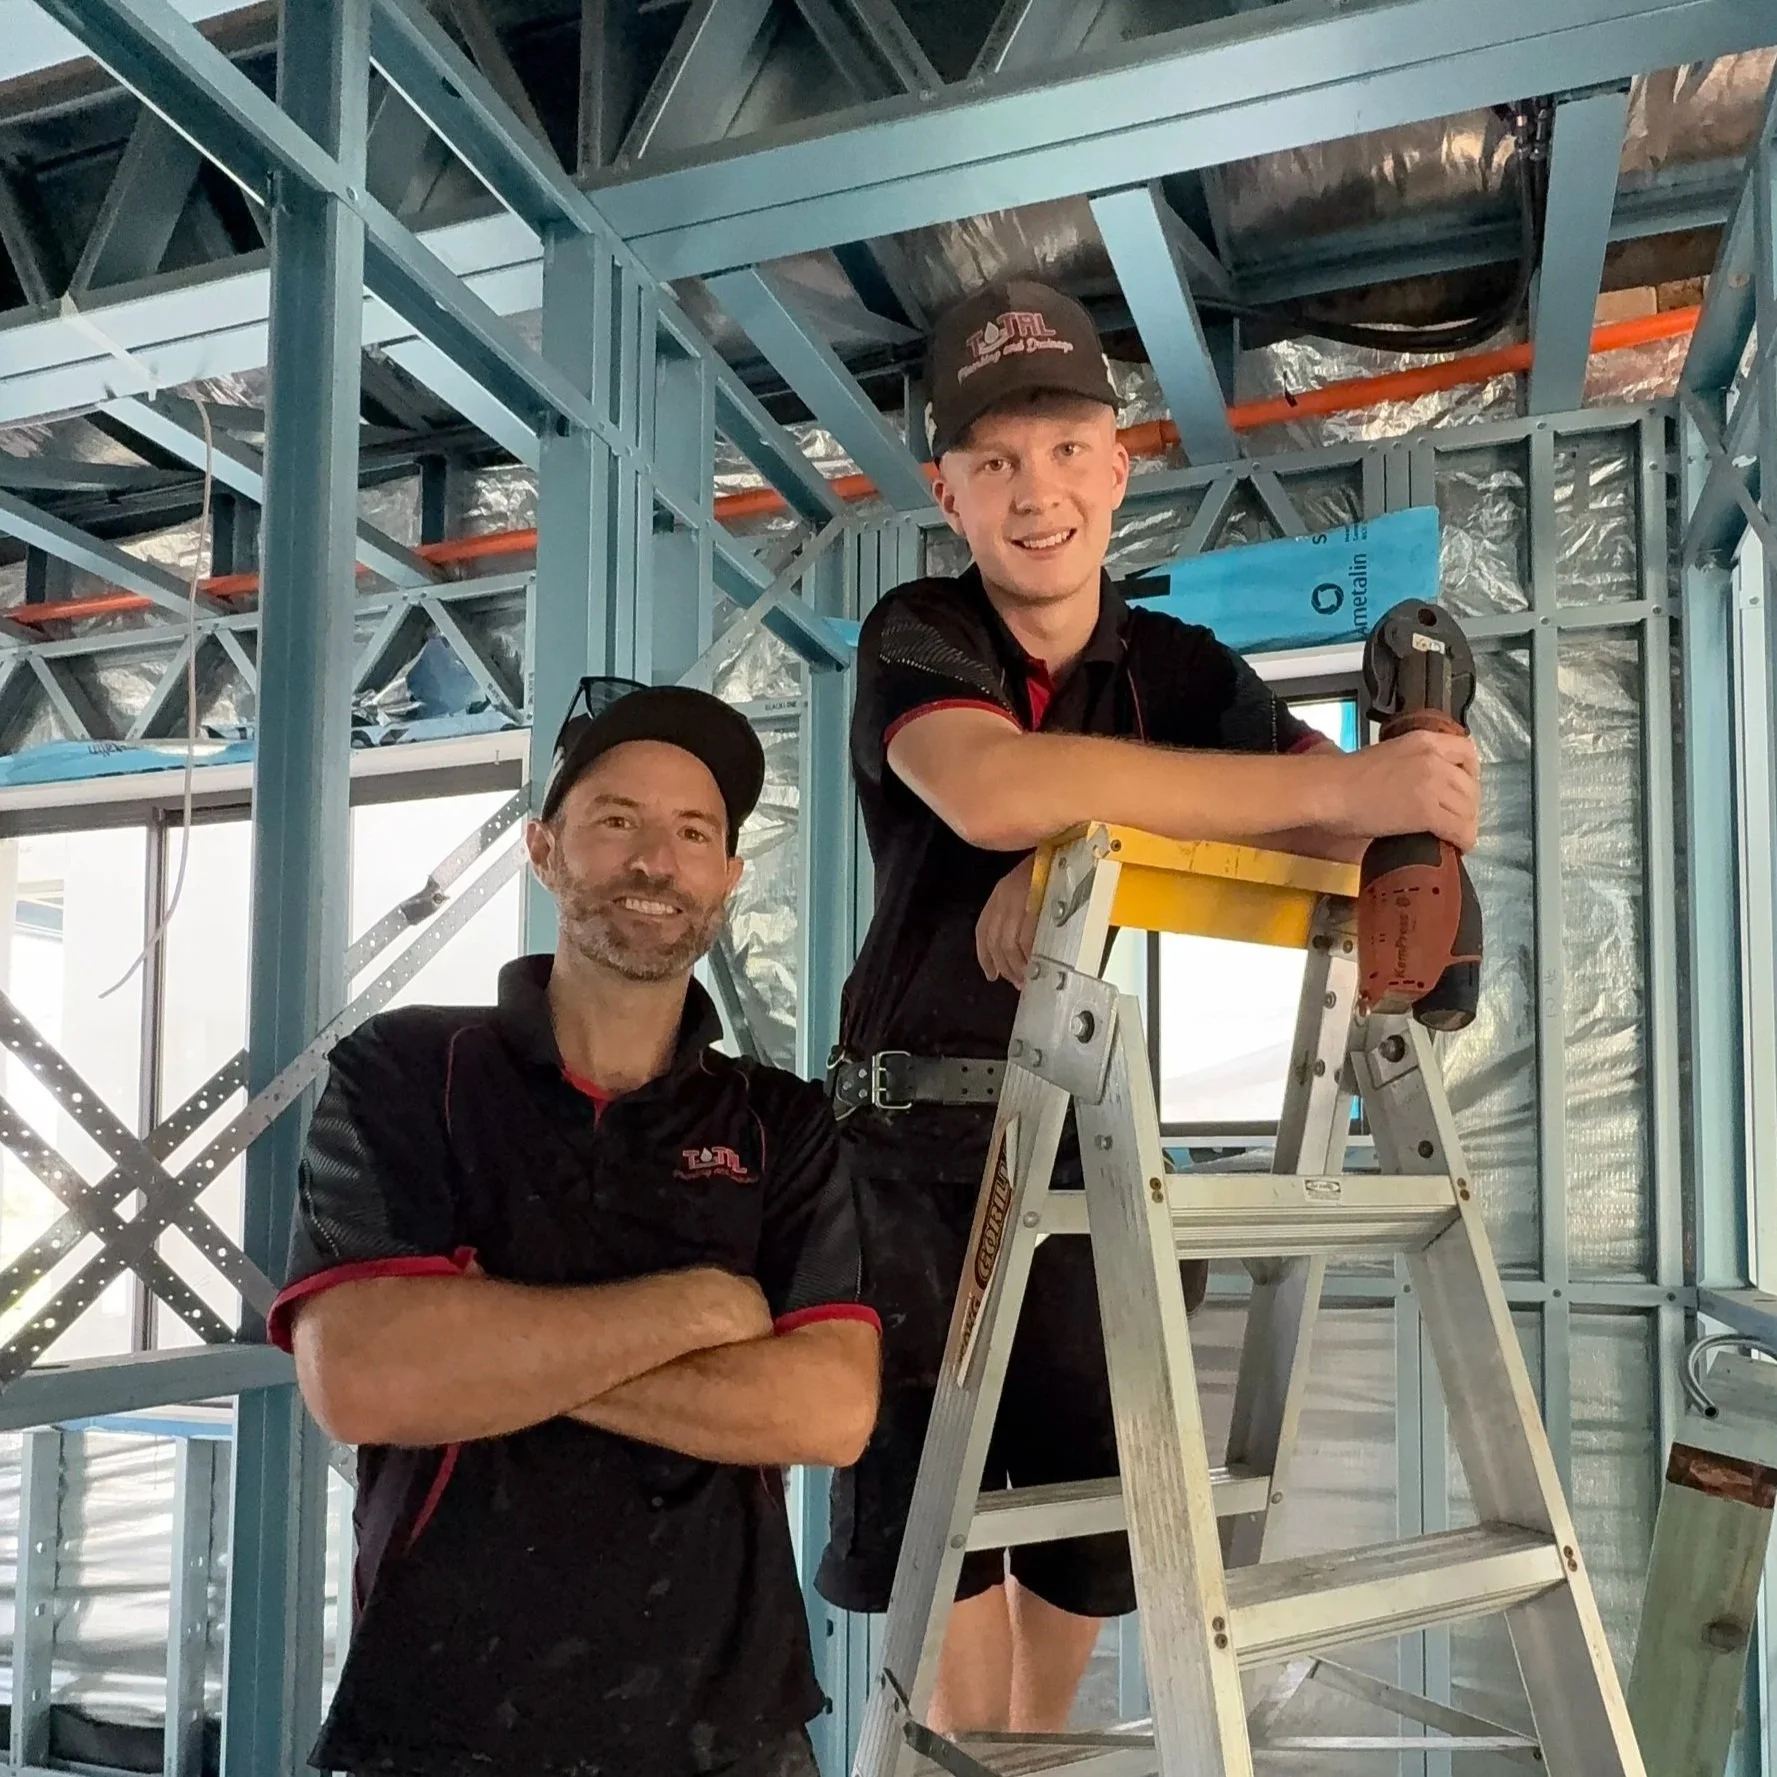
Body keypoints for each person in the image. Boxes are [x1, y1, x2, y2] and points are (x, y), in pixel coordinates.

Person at [816, 280, 1479, 1735]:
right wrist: (1088, 842)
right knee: (939, 1615)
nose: (1032, 492)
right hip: (916, 1170)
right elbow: (989, 787)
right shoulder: (919, 629)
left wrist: (1398, 797)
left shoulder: (1180, 673)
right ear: (947, 489)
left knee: (1075, 1582)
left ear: (1119, 465)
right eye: (992, 462)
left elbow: (1360, 833)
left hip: (1107, 1156)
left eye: (1062, 449)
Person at [270, 679, 882, 1777]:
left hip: (729, 1726)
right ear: (545, 851)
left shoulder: (778, 1120)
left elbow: (831, 1408)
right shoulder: (411, 1072)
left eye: (694, 833)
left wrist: (485, 1340)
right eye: (617, 822)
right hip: (445, 1717)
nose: (657, 861)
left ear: (730, 880)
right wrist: (700, 1309)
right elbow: (363, 1380)